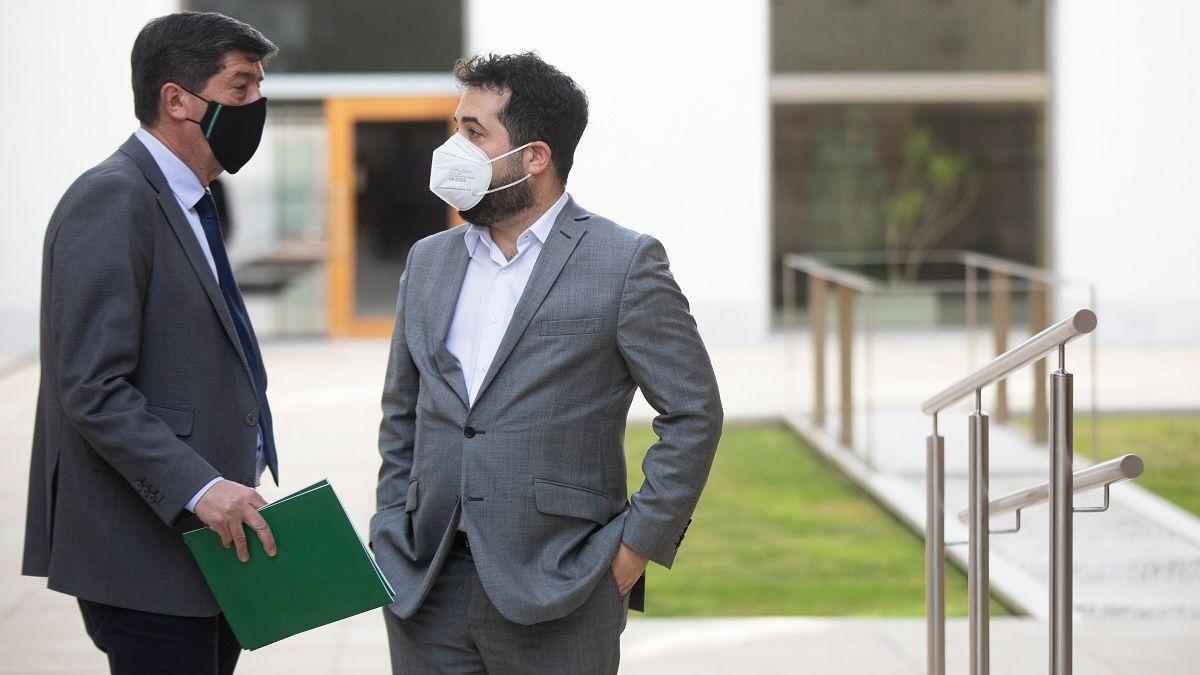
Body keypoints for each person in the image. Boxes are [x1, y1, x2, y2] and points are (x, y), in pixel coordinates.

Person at [371, 52, 724, 674]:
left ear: (534, 156)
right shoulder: (428, 260)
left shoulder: (625, 263)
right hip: (425, 586)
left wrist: (635, 550)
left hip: (561, 587)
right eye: (456, 127)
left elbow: (693, 414)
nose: (454, 147)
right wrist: (390, 529)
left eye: (474, 133)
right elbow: (403, 410)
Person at [21, 12, 280, 674]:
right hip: (147, 557)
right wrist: (202, 487)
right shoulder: (114, 198)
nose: (257, 106)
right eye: (242, 87)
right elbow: (92, 386)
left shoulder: (190, 199)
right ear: (176, 100)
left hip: (204, 549)